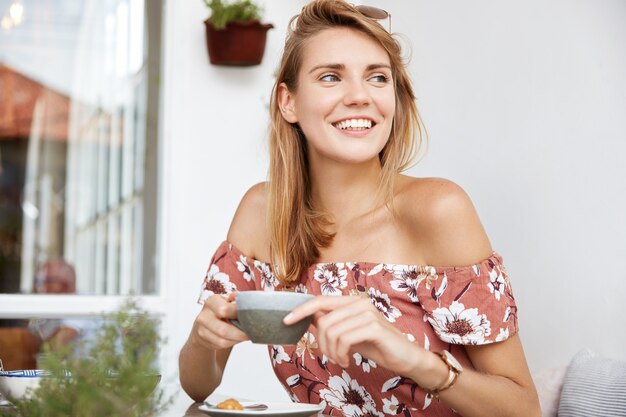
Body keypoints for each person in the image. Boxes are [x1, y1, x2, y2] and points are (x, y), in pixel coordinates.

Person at [179, 1, 541, 416]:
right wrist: (202, 340)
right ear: (288, 102)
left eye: (377, 77)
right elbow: (197, 384)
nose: (359, 96)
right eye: (331, 77)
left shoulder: (439, 209)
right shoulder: (261, 212)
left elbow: (524, 408)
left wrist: (414, 360)